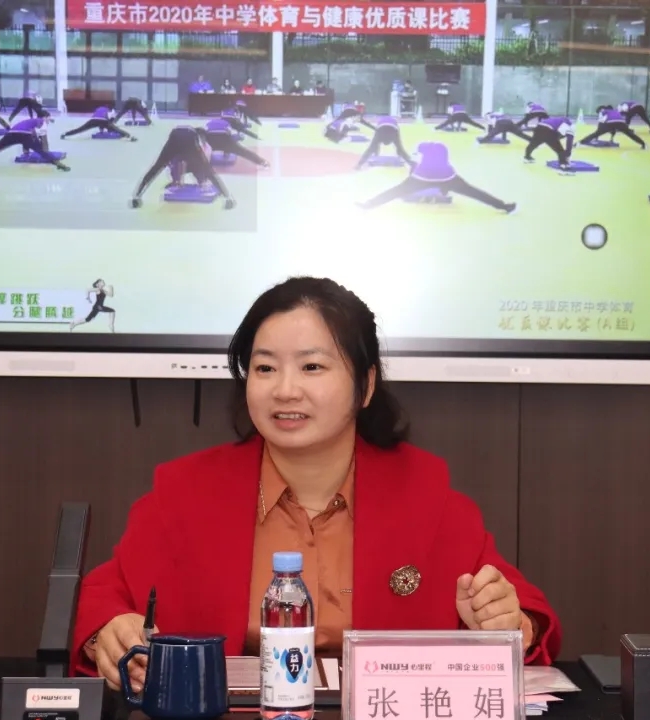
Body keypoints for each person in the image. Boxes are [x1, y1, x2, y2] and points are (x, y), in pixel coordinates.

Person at [72, 276, 561, 689]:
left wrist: (507, 621)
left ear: (365, 385)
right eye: (265, 368)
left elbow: (522, 613)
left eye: (312, 367)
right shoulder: (186, 492)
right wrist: (109, 631)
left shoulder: (425, 494)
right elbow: (105, 595)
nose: (285, 390)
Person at [357, 142, 516, 213]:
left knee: (396, 191)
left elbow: (414, 165)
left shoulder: (423, 154)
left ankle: (369, 204)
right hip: (447, 178)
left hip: (423, 178)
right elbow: (448, 166)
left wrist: (410, 177)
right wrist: (444, 189)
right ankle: (504, 206)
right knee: (474, 192)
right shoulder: (442, 151)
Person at [129, 125, 235, 210]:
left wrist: (137, 196)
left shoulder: (186, 137)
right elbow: (209, 171)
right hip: (187, 140)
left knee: (156, 168)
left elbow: (160, 168)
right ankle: (227, 197)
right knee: (207, 170)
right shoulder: (196, 140)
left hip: (174, 138)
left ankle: (137, 195)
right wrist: (227, 196)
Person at [0, 116, 70, 171]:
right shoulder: (43, 123)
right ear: (45, 118)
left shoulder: (31, 121)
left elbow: (29, 133)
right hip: (25, 134)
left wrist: (28, 149)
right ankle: (60, 165)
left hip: (12, 133)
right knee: (41, 150)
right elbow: (44, 142)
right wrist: (48, 154)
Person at [200, 119, 269, 168]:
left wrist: (204, 145)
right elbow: (230, 136)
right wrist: (238, 138)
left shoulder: (209, 123)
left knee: (200, 152)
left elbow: (203, 134)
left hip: (212, 141)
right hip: (226, 142)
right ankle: (263, 162)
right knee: (245, 152)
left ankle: (199, 164)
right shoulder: (227, 124)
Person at [581, 106, 646, 148]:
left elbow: (601, 122)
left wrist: (597, 135)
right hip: (621, 123)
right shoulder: (616, 111)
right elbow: (615, 126)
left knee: (595, 133)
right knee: (630, 134)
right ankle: (642, 143)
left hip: (610, 123)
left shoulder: (603, 111)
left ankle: (581, 142)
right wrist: (611, 138)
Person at [60, 106, 136, 141]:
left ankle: (65, 134)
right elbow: (109, 120)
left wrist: (102, 130)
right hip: (104, 120)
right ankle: (130, 136)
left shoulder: (98, 108)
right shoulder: (111, 110)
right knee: (116, 129)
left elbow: (98, 119)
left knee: (80, 129)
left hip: (93, 120)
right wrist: (110, 128)